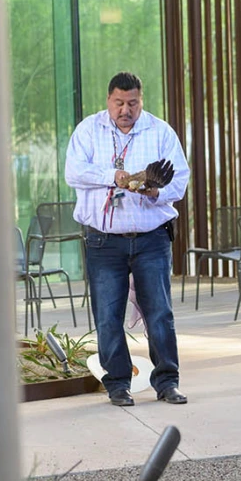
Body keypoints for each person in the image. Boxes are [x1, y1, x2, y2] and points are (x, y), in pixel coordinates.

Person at [64, 72, 190, 407]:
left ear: (141, 100)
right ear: (108, 100)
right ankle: (118, 383)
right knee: (108, 314)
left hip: (152, 238)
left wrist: (154, 191)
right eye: (119, 103)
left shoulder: (160, 131)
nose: (125, 110)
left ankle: (167, 382)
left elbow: (179, 181)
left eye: (132, 103)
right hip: (104, 242)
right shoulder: (89, 130)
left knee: (159, 312)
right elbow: (74, 171)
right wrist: (114, 177)